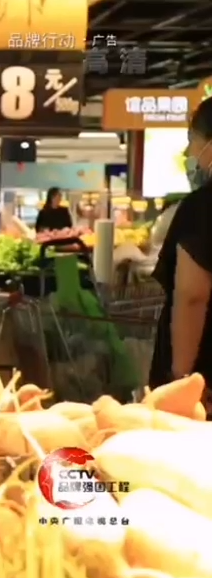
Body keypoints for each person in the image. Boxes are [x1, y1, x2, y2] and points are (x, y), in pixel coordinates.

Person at [149, 97, 212, 396]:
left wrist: (180, 379)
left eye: (192, 141)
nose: (188, 153)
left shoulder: (202, 207)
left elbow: (192, 295)